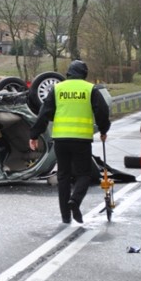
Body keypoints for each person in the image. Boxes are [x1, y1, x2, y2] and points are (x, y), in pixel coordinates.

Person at [28, 60, 110, 224]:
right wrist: (103, 129)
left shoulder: (57, 89)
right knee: (84, 175)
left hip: (61, 139)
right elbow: (102, 111)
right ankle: (75, 200)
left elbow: (44, 113)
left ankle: (65, 216)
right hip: (81, 140)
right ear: (84, 74)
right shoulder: (89, 89)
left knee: (63, 176)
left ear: (69, 73)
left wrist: (34, 135)